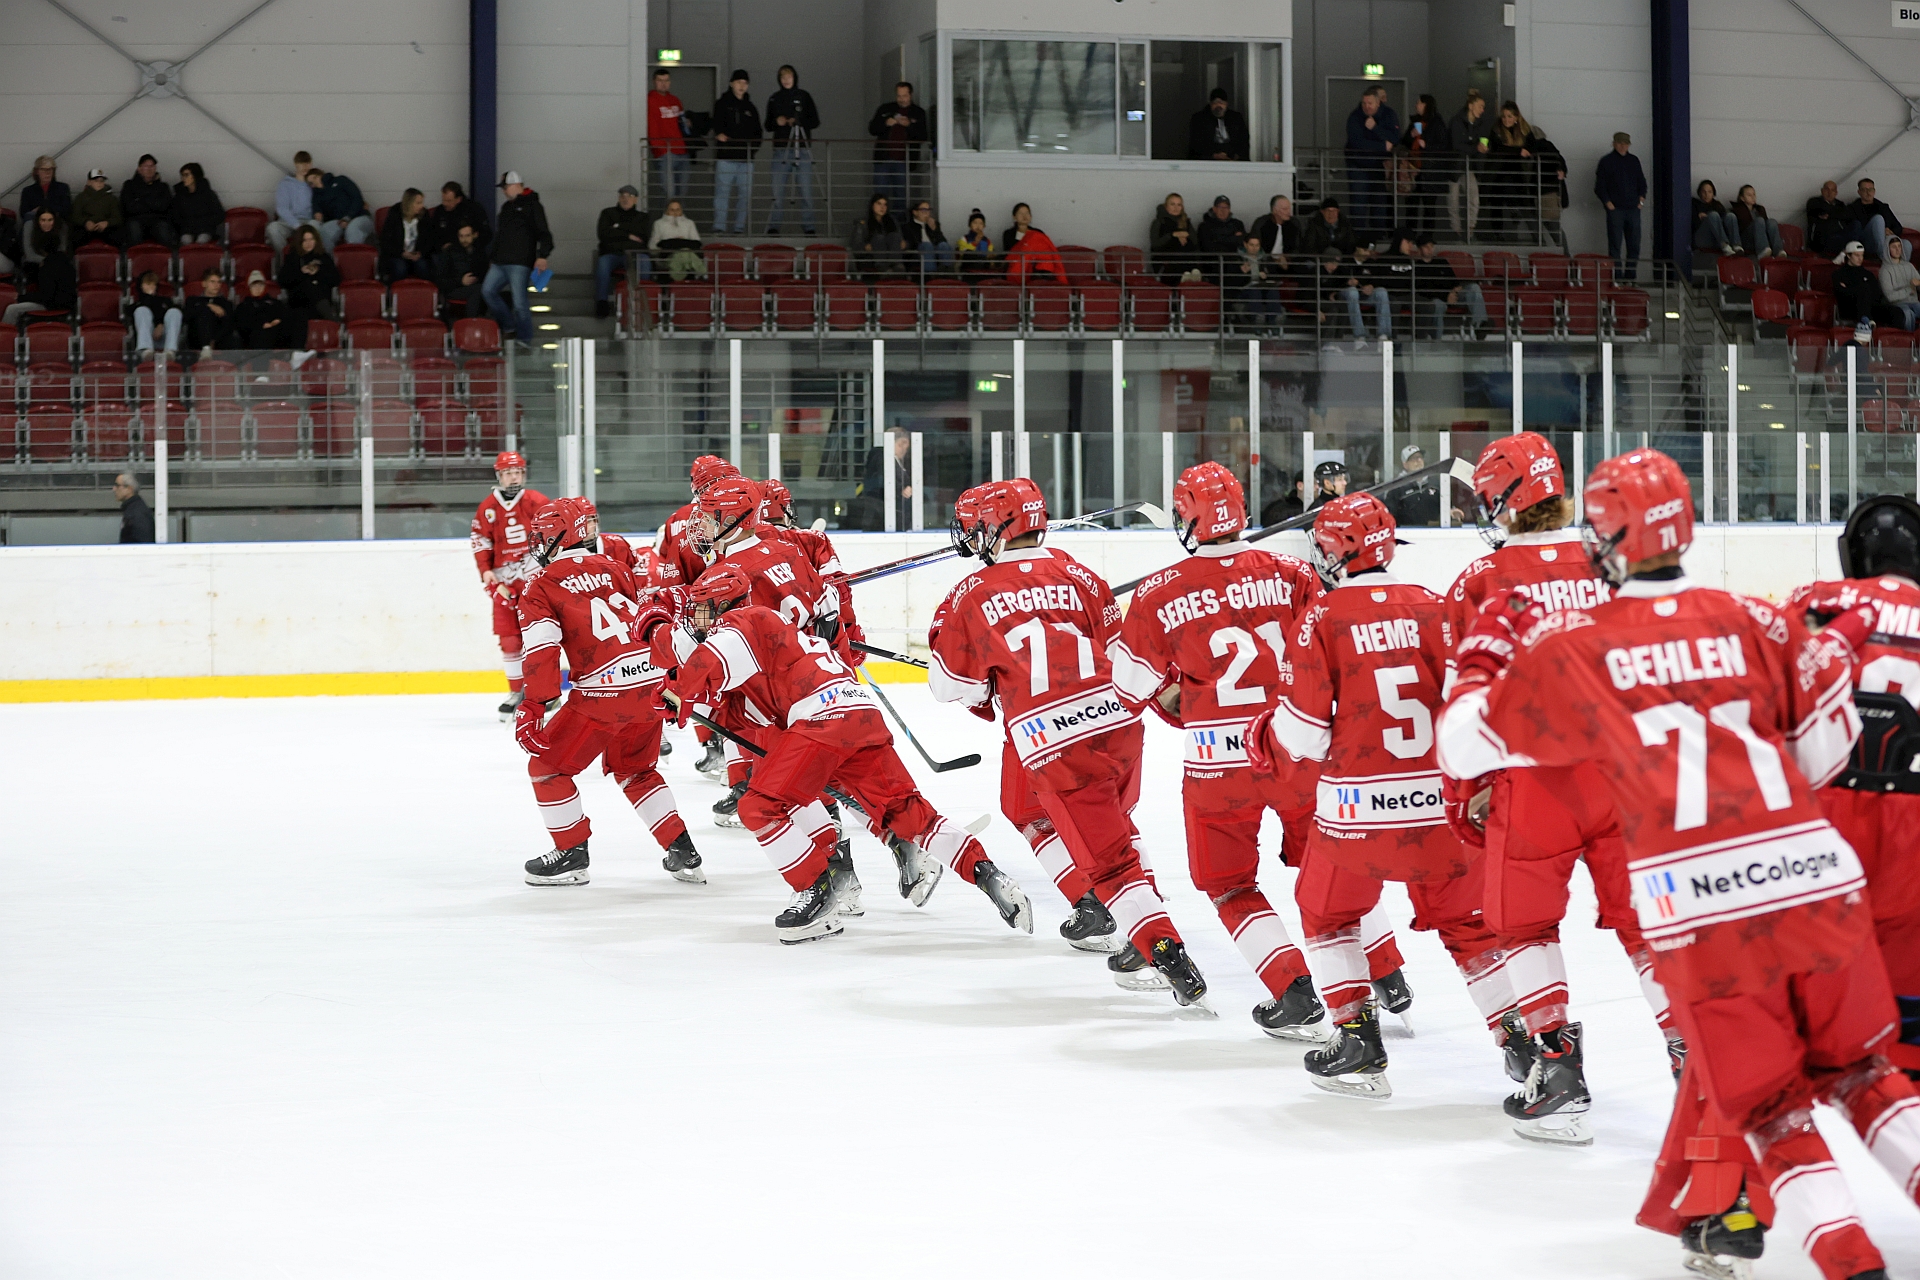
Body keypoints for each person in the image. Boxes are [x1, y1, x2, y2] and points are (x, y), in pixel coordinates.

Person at [1435, 447, 1920, 1280]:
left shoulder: (1572, 639)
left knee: (1767, 1102)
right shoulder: (1756, 618)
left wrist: (1484, 653)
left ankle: (1842, 1257)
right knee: (1866, 1075)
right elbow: (1821, 751)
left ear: (1610, 534)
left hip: (1704, 906)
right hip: (1818, 875)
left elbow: (1463, 740)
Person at [1112, 462, 1414, 1037]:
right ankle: (1385, 971)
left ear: (1188, 518)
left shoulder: (1157, 593)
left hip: (1217, 762)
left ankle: (1291, 986)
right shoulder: (1294, 571)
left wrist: (1172, 692)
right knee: (1333, 861)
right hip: (1293, 745)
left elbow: (1129, 687)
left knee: (1230, 884)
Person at [1440, 434, 1682, 1147]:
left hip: (1532, 777)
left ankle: (1558, 1069)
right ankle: (1690, 1049)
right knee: (1644, 922)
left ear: (1506, 499)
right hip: (1619, 772)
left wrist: (1467, 788)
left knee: (1523, 925)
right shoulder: (1607, 556)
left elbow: (1466, 694)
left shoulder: (1479, 581)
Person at [1247, 492, 1512, 1099]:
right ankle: (1525, 1043)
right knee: (1470, 927)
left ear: (1336, 550)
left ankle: (1358, 1040)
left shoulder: (1323, 615)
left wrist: (1265, 733)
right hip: (1440, 801)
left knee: (1326, 911)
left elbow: (1307, 736)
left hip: (1358, 808)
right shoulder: (1438, 607)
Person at [930, 479, 1210, 1003]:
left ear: (996, 528)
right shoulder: (1082, 575)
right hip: (1116, 720)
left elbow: (950, 685)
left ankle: (1145, 934)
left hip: (1047, 732)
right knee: (1092, 817)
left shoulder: (972, 592)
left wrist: (986, 679)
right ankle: (1100, 906)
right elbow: (1119, 651)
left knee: (1101, 851)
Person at [661, 561, 1032, 943]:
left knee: (759, 806)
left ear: (723, 605)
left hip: (821, 718)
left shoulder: (743, 620)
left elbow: (708, 664)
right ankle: (988, 873)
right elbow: (748, 714)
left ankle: (819, 891)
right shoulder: (774, 640)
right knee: (908, 813)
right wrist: (696, 705)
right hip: (859, 713)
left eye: (705, 607)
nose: (700, 618)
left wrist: (678, 690)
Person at [1791, 497, 1920, 1083]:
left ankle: (1760, 1165)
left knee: (1783, 1011)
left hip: (1821, 824)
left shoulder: (1812, 602)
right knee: (1909, 1017)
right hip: (1912, 833)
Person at [513, 498, 701, 889]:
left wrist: (535, 703)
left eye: (543, 536)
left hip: (601, 695)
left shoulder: (540, 584)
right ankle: (681, 848)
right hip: (651, 684)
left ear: (558, 537)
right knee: (637, 770)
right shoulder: (617, 568)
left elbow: (542, 649)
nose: (538, 543)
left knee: (547, 768)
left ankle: (570, 854)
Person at [471, 451, 553, 718]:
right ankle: (516, 691)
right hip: (503, 580)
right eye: (508, 473)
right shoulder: (487, 508)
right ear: (499, 476)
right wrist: (486, 572)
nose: (513, 477)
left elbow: (554, 534)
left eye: (517, 472)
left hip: (533, 576)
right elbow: (481, 541)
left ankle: (545, 691)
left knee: (541, 634)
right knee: (509, 638)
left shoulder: (536, 501)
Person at [483, 171, 553, 346]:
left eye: (505, 187)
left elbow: (543, 232)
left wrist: (543, 255)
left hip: (520, 262)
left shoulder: (533, 206)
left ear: (516, 185)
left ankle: (524, 338)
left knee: (520, 302)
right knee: (487, 291)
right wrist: (493, 256)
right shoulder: (507, 208)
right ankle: (509, 326)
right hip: (500, 261)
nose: (504, 191)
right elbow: (500, 235)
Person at [1488, 102, 1561, 243]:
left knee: (1524, 206)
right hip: (1498, 174)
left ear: (1516, 117)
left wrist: (1560, 167)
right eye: (1503, 116)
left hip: (1519, 175)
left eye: (1509, 116)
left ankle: (1531, 234)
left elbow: (1534, 149)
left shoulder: (1525, 131)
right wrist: (1517, 151)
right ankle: (1499, 234)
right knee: (1497, 203)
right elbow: (1497, 149)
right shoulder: (1496, 130)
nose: (1506, 120)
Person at [765, 64, 820, 236]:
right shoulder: (774, 98)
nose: (786, 80)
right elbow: (767, 125)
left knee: (805, 191)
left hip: (802, 149)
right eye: (783, 77)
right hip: (781, 149)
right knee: (777, 192)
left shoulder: (804, 96)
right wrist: (778, 122)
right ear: (779, 79)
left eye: (789, 76)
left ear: (794, 77)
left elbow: (815, 121)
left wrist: (799, 121)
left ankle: (809, 227)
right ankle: (774, 227)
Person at [710, 70, 762, 237]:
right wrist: (719, 135)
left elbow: (758, 133)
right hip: (726, 158)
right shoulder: (722, 103)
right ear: (731, 83)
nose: (742, 86)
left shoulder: (750, 107)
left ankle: (739, 228)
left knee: (744, 196)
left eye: (745, 83)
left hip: (746, 160)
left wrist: (751, 150)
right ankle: (719, 227)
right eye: (739, 82)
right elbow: (716, 124)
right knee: (722, 194)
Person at [1344, 86, 1401, 235]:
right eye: (1364, 103)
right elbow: (1357, 143)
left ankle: (1379, 237)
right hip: (1358, 165)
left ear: (1378, 103)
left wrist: (1375, 128)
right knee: (1358, 205)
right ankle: (1358, 238)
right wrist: (1382, 146)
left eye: (1369, 103)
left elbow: (1395, 138)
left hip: (1380, 167)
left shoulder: (1389, 115)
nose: (1366, 106)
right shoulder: (1355, 117)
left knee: (1379, 205)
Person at [1414, 233, 1490, 338]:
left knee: (1474, 288)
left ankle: (1480, 325)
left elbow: (1453, 281)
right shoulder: (1417, 267)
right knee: (1437, 305)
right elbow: (1424, 290)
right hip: (1437, 299)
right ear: (1419, 249)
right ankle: (1437, 340)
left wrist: (1454, 291)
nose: (1430, 249)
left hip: (1453, 295)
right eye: (1426, 247)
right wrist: (1446, 296)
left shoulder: (1441, 261)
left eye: (1431, 246)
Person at [1594, 132, 1646, 281]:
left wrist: (1641, 201)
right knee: (1615, 246)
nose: (1623, 146)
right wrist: (1608, 203)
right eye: (1620, 143)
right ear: (1614, 143)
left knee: (1634, 245)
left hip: (1633, 209)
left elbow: (1642, 183)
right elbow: (1600, 186)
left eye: (1626, 143)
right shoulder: (1606, 161)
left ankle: (1630, 278)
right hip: (1616, 209)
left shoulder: (1634, 161)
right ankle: (1616, 278)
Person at [868, 82, 928, 210]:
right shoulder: (885, 109)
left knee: (901, 197)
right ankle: (880, 225)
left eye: (904, 96)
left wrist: (909, 126)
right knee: (880, 196)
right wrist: (886, 123)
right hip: (883, 159)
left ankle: (899, 226)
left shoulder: (918, 113)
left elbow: (923, 137)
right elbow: (872, 129)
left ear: (910, 95)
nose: (902, 99)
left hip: (904, 161)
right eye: (899, 96)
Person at [594, 185, 651, 318]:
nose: (626, 199)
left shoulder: (643, 217)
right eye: (623, 196)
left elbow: (644, 236)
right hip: (611, 253)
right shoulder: (607, 213)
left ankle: (644, 300)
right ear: (619, 198)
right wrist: (629, 235)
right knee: (603, 264)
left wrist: (617, 228)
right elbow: (603, 234)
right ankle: (602, 302)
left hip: (635, 254)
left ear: (636, 200)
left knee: (645, 262)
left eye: (629, 196)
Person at [2, 223, 75, 327]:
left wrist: (20, 297)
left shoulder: (47, 266)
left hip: (53, 305)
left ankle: (5, 335)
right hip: (68, 304)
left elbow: (46, 296)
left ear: (42, 249)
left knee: (11, 309)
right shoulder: (67, 262)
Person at [276, 225, 338, 347]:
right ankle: (331, 318)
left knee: (312, 288)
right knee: (308, 285)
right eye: (305, 240)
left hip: (318, 304)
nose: (308, 243)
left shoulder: (324, 258)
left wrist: (318, 272)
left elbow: (335, 279)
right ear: (300, 242)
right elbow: (282, 280)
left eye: (311, 239)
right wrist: (301, 272)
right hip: (300, 302)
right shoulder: (293, 258)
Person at [1834, 240, 1907, 332]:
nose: (1860, 258)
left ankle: (1894, 339)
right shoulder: (1839, 274)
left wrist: (1852, 289)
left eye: (1862, 255)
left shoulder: (1868, 274)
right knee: (1864, 288)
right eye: (1857, 255)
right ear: (1848, 255)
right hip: (1851, 308)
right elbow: (1841, 293)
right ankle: (1866, 320)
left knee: (1897, 312)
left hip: (1871, 307)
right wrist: (1860, 291)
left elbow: (1877, 294)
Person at [1446, 90, 1491, 237]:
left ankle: (1470, 230)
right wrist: (1475, 148)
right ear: (1471, 106)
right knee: (1453, 201)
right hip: (1454, 166)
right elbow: (1456, 144)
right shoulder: (1457, 121)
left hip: (1470, 166)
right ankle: (1457, 231)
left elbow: (1482, 141)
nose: (1482, 110)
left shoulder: (1481, 124)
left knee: (1473, 198)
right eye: (1480, 106)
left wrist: (1482, 149)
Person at [1401, 94, 1448, 235]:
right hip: (1413, 169)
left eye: (1419, 103)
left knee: (1429, 206)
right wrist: (1412, 135)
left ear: (1426, 105)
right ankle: (1410, 235)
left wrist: (1427, 145)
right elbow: (1404, 141)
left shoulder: (1437, 123)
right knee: (1411, 205)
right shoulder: (1414, 121)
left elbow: (1443, 146)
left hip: (1430, 171)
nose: (1416, 105)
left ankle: (1427, 237)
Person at [423, 181, 491, 271]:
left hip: (469, 251)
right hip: (445, 252)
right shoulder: (440, 211)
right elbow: (432, 233)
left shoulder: (474, 209)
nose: (445, 204)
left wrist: (469, 244)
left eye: (448, 201)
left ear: (458, 199)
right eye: (443, 200)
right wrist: (440, 246)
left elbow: (486, 234)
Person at [304, 164, 372, 250]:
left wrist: (348, 217)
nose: (315, 183)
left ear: (320, 175)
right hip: (338, 221)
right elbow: (316, 209)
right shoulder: (316, 195)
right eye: (311, 183)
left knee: (352, 230)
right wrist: (317, 213)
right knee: (323, 232)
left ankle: (355, 261)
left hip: (359, 216)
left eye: (315, 178)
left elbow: (357, 198)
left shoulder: (340, 180)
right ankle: (332, 261)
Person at [647, 69, 690, 204]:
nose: (663, 84)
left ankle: (679, 224)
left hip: (682, 151)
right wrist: (660, 149)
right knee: (668, 193)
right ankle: (667, 224)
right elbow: (651, 127)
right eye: (660, 81)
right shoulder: (650, 100)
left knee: (682, 193)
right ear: (654, 82)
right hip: (665, 152)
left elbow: (681, 123)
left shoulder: (675, 100)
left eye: (666, 81)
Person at [1230, 232, 1283, 332]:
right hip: (1244, 291)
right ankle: (1256, 321)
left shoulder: (1265, 258)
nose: (1254, 248)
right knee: (1255, 290)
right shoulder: (1236, 258)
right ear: (1245, 245)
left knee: (1273, 290)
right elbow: (1231, 282)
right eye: (1251, 245)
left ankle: (1273, 321)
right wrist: (1242, 272)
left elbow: (1274, 276)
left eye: (1257, 245)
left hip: (1262, 288)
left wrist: (1266, 277)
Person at [268, 151, 318, 252]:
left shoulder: (315, 184)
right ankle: (285, 256)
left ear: (311, 164)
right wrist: (297, 226)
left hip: (308, 221)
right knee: (273, 228)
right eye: (301, 163)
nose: (305, 166)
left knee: (316, 226)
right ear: (296, 164)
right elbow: (282, 209)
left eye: (307, 163)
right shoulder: (285, 184)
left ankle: (311, 259)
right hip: (288, 222)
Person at [437, 222, 490, 318]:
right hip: (454, 288)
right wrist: (460, 281)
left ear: (475, 235)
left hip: (476, 286)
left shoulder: (480, 252)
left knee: (489, 289)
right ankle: (472, 322)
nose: (464, 239)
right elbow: (440, 279)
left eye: (467, 236)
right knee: (479, 290)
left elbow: (485, 273)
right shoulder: (450, 252)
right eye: (461, 236)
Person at [378, 188, 432, 281]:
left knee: (423, 268)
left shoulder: (424, 215)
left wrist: (421, 252)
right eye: (418, 203)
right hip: (398, 254)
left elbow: (429, 238)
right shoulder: (395, 214)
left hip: (416, 254)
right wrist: (402, 253)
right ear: (409, 203)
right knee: (400, 269)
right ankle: (394, 293)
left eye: (422, 202)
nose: (422, 206)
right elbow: (385, 241)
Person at [1848, 178, 1904, 263]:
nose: (1868, 192)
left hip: (1886, 240)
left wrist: (1890, 231)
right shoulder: (1853, 208)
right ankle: (1885, 258)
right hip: (1867, 242)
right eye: (1864, 190)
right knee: (1878, 219)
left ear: (1874, 191)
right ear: (1859, 192)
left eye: (1871, 189)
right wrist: (1880, 229)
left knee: (1907, 244)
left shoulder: (1883, 207)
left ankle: (1902, 269)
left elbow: (1898, 227)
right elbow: (1855, 230)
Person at [847, 194, 903, 280]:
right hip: (870, 258)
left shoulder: (893, 222)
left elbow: (901, 241)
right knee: (879, 238)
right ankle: (883, 268)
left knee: (894, 236)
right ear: (872, 205)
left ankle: (895, 266)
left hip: (891, 256)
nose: (882, 207)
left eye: (885, 204)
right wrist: (866, 247)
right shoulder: (862, 223)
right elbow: (855, 246)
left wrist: (904, 244)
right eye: (879, 204)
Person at [1001, 210, 1065, 285]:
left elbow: (1044, 248)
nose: (1024, 215)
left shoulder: (1037, 233)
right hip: (1020, 263)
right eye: (1021, 213)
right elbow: (1009, 252)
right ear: (1014, 216)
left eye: (1027, 213)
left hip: (1037, 265)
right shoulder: (1009, 233)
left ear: (1031, 216)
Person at [1187, 86, 1250, 161]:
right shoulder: (1200, 119)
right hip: (1208, 162)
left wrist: (1237, 156)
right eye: (1215, 103)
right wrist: (1213, 155)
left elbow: (1243, 140)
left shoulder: (1235, 118)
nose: (1218, 106)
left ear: (1226, 104)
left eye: (1221, 103)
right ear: (1210, 104)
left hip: (1233, 161)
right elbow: (1196, 144)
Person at [648, 198, 703, 281]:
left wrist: (674, 243)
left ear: (681, 210)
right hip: (668, 257)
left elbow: (697, 243)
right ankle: (700, 271)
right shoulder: (659, 224)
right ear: (667, 211)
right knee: (682, 254)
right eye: (672, 210)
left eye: (678, 209)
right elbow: (652, 246)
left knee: (684, 253)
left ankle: (677, 277)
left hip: (688, 255)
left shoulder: (689, 223)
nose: (675, 213)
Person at [183, 268, 238, 352]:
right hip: (196, 341)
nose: (216, 285)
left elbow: (229, 324)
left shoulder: (226, 303)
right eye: (212, 282)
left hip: (220, 342)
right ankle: (206, 346)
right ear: (204, 283)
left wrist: (214, 340)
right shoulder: (192, 300)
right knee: (204, 312)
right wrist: (209, 305)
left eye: (219, 282)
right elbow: (186, 317)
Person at [233, 270, 291, 348]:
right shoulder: (243, 306)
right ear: (248, 287)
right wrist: (261, 325)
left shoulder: (276, 303)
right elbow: (242, 325)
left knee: (299, 315)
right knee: (262, 333)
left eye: (260, 285)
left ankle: (297, 353)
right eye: (254, 285)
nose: (258, 288)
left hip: (278, 332)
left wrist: (277, 321)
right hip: (255, 336)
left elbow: (284, 315)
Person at [130, 271, 183, 356]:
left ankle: (170, 351)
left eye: (154, 284)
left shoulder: (165, 301)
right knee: (142, 311)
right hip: (147, 337)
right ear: (141, 286)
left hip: (165, 337)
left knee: (174, 312)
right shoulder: (136, 305)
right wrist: (149, 298)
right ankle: (145, 350)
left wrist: (160, 324)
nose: (151, 287)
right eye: (148, 284)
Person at [1195, 194, 1246, 282]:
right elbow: (1208, 247)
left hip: (1236, 266)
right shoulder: (1204, 226)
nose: (1223, 210)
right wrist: (1232, 239)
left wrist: (1218, 239)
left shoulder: (1237, 224)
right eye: (1220, 207)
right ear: (1214, 209)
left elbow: (1243, 243)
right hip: (1213, 266)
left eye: (1226, 207)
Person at [1149, 193, 1198, 284]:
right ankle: (1185, 278)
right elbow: (1155, 244)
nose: (1176, 208)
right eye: (1172, 204)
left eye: (1179, 205)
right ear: (1166, 206)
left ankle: (1190, 276)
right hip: (1166, 263)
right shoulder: (1158, 222)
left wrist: (1185, 235)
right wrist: (1173, 235)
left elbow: (1195, 242)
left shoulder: (1186, 222)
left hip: (1186, 260)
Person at [1386, 444, 1439, 525]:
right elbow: (1390, 515)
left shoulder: (1434, 482)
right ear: (1405, 464)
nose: (1418, 461)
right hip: (1406, 533)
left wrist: (1451, 511)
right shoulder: (1397, 487)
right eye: (1413, 458)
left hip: (1432, 533)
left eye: (1420, 457)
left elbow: (1445, 505)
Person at [69, 167, 124, 248]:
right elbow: (75, 216)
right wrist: (85, 222)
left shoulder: (111, 198)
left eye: (101, 181)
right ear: (89, 182)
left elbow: (117, 217)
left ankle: (119, 259)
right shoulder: (80, 197)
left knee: (118, 237)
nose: (99, 183)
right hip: (86, 228)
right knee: (75, 238)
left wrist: (107, 223)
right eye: (96, 180)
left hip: (106, 228)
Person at [171, 163, 224, 244]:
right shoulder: (179, 195)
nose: (183, 178)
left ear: (195, 176)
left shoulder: (208, 194)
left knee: (201, 241)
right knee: (186, 240)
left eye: (186, 175)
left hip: (205, 229)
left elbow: (219, 215)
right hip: (187, 230)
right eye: (182, 175)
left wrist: (204, 223)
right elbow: (175, 216)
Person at [1730, 184, 1785, 259]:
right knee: (1759, 220)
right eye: (1749, 195)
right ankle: (1762, 250)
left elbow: (1766, 225)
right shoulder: (1737, 210)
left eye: (1754, 194)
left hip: (1761, 238)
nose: (1753, 197)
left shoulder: (1760, 209)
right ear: (1742, 198)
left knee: (1772, 222)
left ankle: (1778, 251)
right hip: (1747, 240)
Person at [901, 200, 952, 276]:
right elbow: (911, 244)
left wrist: (934, 230)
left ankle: (946, 273)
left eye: (928, 210)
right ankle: (930, 275)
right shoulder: (907, 227)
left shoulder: (934, 224)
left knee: (944, 245)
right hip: (918, 254)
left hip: (934, 252)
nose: (927, 213)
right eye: (923, 210)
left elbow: (942, 241)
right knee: (926, 245)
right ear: (915, 212)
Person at [1879, 235, 1920, 331]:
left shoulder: (1909, 266)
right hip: (1897, 304)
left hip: (1914, 302)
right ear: (1887, 250)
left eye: (1899, 246)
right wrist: (1909, 290)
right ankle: (1910, 339)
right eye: (1894, 247)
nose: (1898, 250)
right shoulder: (1884, 271)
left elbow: (1918, 285)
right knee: (1907, 313)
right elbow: (1890, 297)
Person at [1692, 180, 1741, 256]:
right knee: (1713, 215)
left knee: (1731, 216)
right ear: (1699, 193)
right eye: (1704, 192)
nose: (1706, 194)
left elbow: (1724, 222)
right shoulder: (1694, 204)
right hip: (1702, 238)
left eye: (1709, 192)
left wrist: (1708, 217)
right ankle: (1724, 245)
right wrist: (1706, 218)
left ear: (1713, 193)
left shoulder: (1717, 205)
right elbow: (1693, 225)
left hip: (1716, 239)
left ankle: (1737, 245)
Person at [1249, 194, 1302, 264]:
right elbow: (1255, 246)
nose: (1289, 212)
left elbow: (1298, 247)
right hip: (1265, 262)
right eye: (1285, 209)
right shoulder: (1261, 223)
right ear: (1274, 210)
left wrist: (1287, 258)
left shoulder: (1294, 223)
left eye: (1289, 208)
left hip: (1289, 262)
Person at [1806, 179, 1849, 258]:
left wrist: (1829, 215)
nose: (1829, 193)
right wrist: (1835, 214)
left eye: (1832, 190)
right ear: (1822, 191)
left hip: (1838, 237)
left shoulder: (1841, 204)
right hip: (1819, 241)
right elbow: (1818, 209)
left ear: (1836, 193)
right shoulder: (1814, 202)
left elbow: (1846, 215)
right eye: (1827, 189)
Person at [114, 474, 154, 543]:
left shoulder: (137, 513)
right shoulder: (133, 509)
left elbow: (143, 543)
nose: (114, 489)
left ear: (129, 489)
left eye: (117, 485)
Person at [955, 209, 996, 278]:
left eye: (981, 223)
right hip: (968, 266)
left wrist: (991, 256)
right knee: (968, 254)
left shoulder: (987, 241)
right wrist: (975, 242)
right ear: (970, 225)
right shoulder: (964, 239)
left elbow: (990, 253)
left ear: (984, 226)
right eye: (975, 223)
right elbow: (963, 253)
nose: (978, 225)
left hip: (984, 267)